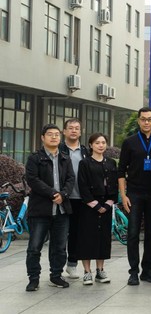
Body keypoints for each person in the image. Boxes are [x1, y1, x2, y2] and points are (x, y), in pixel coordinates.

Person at [24, 124, 75, 291]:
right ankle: (33, 279)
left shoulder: (65, 158)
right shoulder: (34, 158)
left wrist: (64, 195)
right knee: (34, 247)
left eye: (56, 134)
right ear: (42, 137)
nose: (54, 137)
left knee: (59, 247)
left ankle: (56, 275)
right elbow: (32, 179)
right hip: (40, 210)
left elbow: (70, 179)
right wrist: (53, 194)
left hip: (61, 210)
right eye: (50, 134)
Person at [118, 107, 151, 286]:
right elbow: (121, 171)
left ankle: (147, 270)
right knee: (133, 233)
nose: (146, 122)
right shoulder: (129, 142)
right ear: (138, 121)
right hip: (134, 194)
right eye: (143, 119)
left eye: (149, 119)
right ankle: (133, 272)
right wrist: (123, 195)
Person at [76, 133, 118, 286]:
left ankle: (100, 270)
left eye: (103, 142)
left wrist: (108, 204)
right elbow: (82, 186)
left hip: (106, 205)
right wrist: (95, 205)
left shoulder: (111, 163)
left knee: (103, 239)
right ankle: (87, 272)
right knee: (87, 238)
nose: (101, 145)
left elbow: (114, 185)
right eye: (97, 143)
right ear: (91, 145)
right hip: (89, 206)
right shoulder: (85, 163)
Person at [59, 118, 89, 280]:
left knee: (76, 233)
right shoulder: (58, 149)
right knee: (60, 233)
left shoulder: (85, 151)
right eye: (70, 128)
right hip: (62, 197)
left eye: (77, 128)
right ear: (64, 131)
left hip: (80, 198)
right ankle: (57, 266)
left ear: (81, 132)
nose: (74, 130)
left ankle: (72, 264)